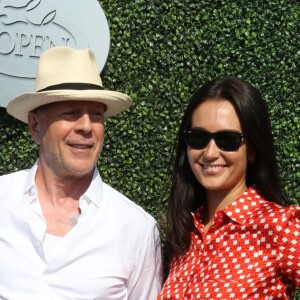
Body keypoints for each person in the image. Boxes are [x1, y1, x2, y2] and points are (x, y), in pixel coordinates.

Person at [0, 46, 163, 299]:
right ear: (35, 126)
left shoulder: (136, 229)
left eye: (96, 114)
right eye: (71, 113)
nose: (86, 126)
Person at [157, 76, 300, 299]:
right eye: (198, 138)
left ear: (252, 149)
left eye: (228, 140)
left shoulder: (279, 227)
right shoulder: (186, 234)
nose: (210, 153)